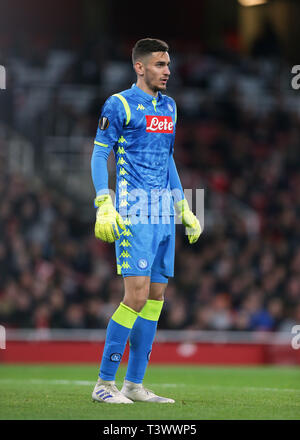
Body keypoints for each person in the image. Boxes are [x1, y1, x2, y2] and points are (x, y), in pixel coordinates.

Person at [90, 38, 201, 404]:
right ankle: (104, 384)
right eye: (159, 64)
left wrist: (183, 207)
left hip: (163, 215)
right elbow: (99, 153)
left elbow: (167, 158)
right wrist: (104, 202)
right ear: (139, 67)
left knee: (155, 298)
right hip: (134, 212)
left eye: (168, 64)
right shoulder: (118, 103)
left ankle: (133, 384)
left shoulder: (169, 106)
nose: (167, 71)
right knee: (134, 297)